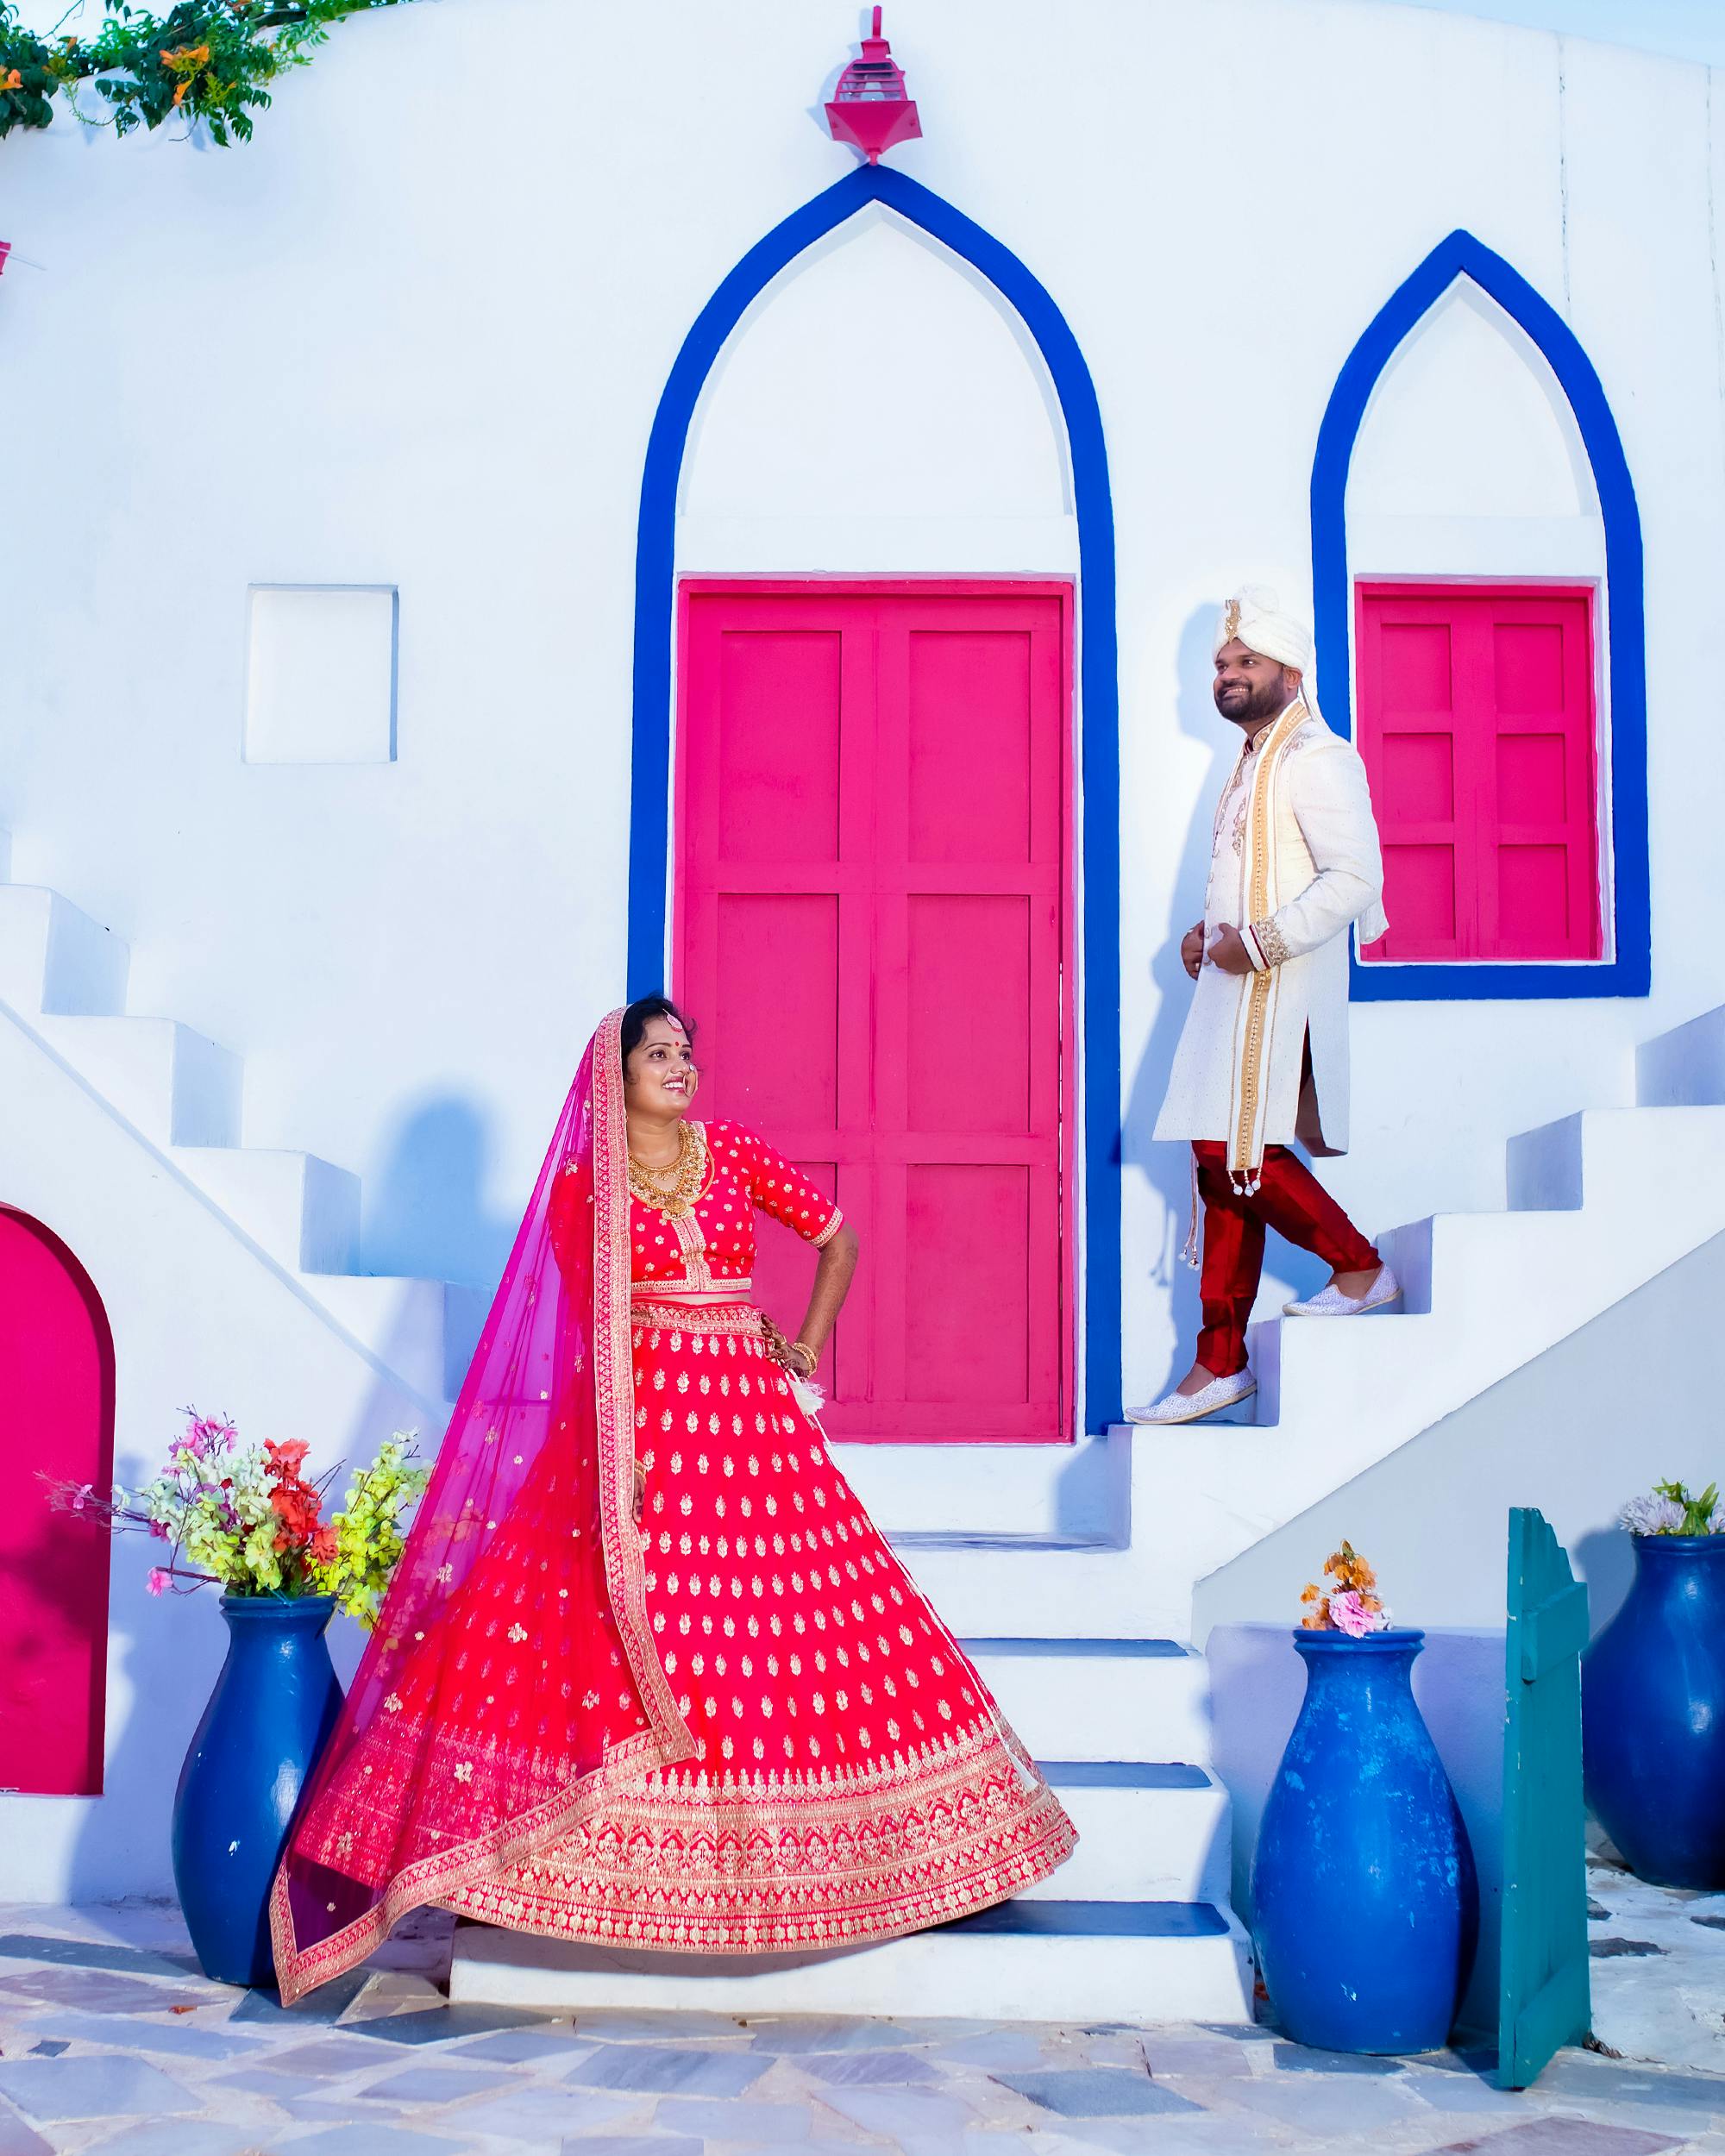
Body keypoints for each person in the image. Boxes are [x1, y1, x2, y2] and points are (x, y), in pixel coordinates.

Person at [272, 998, 1074, 1998]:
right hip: (643, 1428)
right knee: (617, 1630)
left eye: (687, 1050)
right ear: (615, 1077)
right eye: (658, 1053)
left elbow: (840, 1240)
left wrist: (802, 1352)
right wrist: (615, 1455)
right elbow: (588, 1332)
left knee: (814, 1625)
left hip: (752, 1418)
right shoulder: (583, 1188)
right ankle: (543, 1865)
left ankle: (902, 1859)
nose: (680, 1065)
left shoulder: (730, 1148)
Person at [1130, 587, 1398, 1427]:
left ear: (1288, 670)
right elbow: (1259, 872)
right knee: (1218, 1166)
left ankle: (1358, 1267)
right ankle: (1218, 1361)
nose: (1227, 674)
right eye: (1219, 663)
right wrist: (1204, 935)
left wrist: (1260, 941)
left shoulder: (1315, 753)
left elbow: (1354, 879)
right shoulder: (1254, 759)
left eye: (1244, 661)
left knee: (1231, 1149)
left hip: (1276, 987)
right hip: (1234, 984)